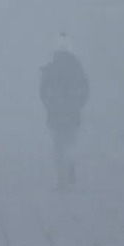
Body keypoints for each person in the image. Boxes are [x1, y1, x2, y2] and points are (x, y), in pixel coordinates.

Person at [39, 33, 89, 187]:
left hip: (55, 114)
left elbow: (42, 91)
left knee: (58, 144)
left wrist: (49, 104)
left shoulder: (50, 68)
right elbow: (86, 89)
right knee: (70, 142)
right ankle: (70, 166)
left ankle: (62, 174)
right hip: (72, 113)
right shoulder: (77, 66)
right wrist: (79, 104)